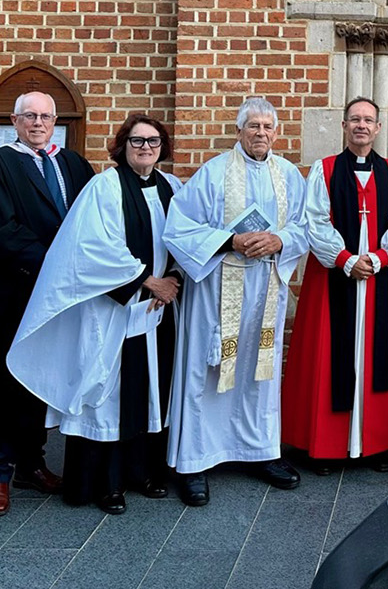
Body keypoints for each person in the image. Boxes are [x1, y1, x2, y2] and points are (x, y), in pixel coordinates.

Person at [7, 114, 182, 513]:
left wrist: (172, 279)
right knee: (109, 394)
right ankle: (106, 483)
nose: (145, 149)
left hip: (157, 311)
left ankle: (143, 472)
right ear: (122, 146)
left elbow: (184, 239)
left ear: (163, 148)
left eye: (153, 142)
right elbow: (90, 247)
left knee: (154, 389)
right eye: (137, 142)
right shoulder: (104, 187)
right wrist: (146, 280)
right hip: (113, 309)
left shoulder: (173, 187)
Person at [162, 97, 309, 505]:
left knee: (258, 370)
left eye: (268, 127)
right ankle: (195, 461)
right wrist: (231, 240)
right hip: (217, 290)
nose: (261, 134)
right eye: (254, 126)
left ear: (276, 133)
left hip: (265, 287)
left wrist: (280, 240)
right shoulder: (213, 173)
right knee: (206, 372)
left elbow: (305, 224)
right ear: (239, 130)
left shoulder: (289, 176)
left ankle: (259, 451)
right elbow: (179, 227)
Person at [0, 91, 94, 516]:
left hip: (56, 297)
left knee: (38, 378)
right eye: (29, 116)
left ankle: (31, 463)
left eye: (45, 116)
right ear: (15, 121)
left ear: (56, 121)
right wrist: (58, 265)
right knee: (0, 383)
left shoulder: (73, 164)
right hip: (9, 293)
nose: (38, 123)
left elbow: (93, 219)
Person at [283, 96, 388, 472]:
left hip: (376, 280)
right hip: (333, 281)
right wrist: (345, 261)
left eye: (368, 120)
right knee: (328, 357)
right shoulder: (324, 171)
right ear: (343, 127)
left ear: (377, 128)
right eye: (354, 119)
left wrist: (375, 260)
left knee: (378, 360)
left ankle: (376, 444)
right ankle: (326, 446)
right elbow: (315, 222)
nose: (361, 125)